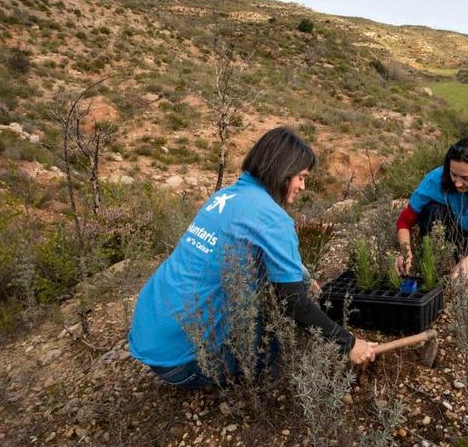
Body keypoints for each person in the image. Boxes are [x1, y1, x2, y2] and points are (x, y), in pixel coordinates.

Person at [128, 127, 376, 390]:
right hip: (182, 363)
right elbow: (295, 305)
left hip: (148, 333)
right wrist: (349, 343)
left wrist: (302, 274)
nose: (303, 186)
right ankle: (254, 388)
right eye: (301, 177)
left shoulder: (224, 197)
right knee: (274, 334)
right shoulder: (273, 219)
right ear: (283, 171)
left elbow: (250, 242)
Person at [395, 137, 468, 285]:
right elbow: (405, 221)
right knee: (433, 210)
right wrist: (406, 253)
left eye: (466, 178)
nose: (457, 183)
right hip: (445, 234)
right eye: (453, 174)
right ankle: (431, 260)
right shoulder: (435, 179)